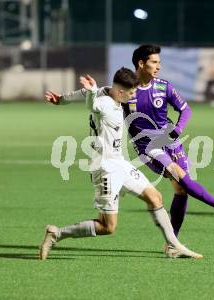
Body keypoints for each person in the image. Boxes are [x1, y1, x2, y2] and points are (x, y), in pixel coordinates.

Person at [45, 45, 214, 238]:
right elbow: (90, 94)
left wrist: (177, 130)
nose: (158, 66)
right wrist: (61, 99)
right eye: (154, 62)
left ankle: (173, 242)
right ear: (141, 64)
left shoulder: (163, 86)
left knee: (181, 190)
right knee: (179, 176)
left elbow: (186, 110)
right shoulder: (126, 91)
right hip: (147, 147)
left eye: (159, 62)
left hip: (171, 141)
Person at [40, 68, 203, 260]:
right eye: (132, 93)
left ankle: (175, 245)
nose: (134, 96)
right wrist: (91, 93)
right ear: (120, 92)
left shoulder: (108, 90)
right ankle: (56, 234)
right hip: (105, 168)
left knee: (155, 197)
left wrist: (61, 99)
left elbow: (81, 93)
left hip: (120, 163)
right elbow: (92, 105)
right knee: (107, 227)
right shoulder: (103, 103)